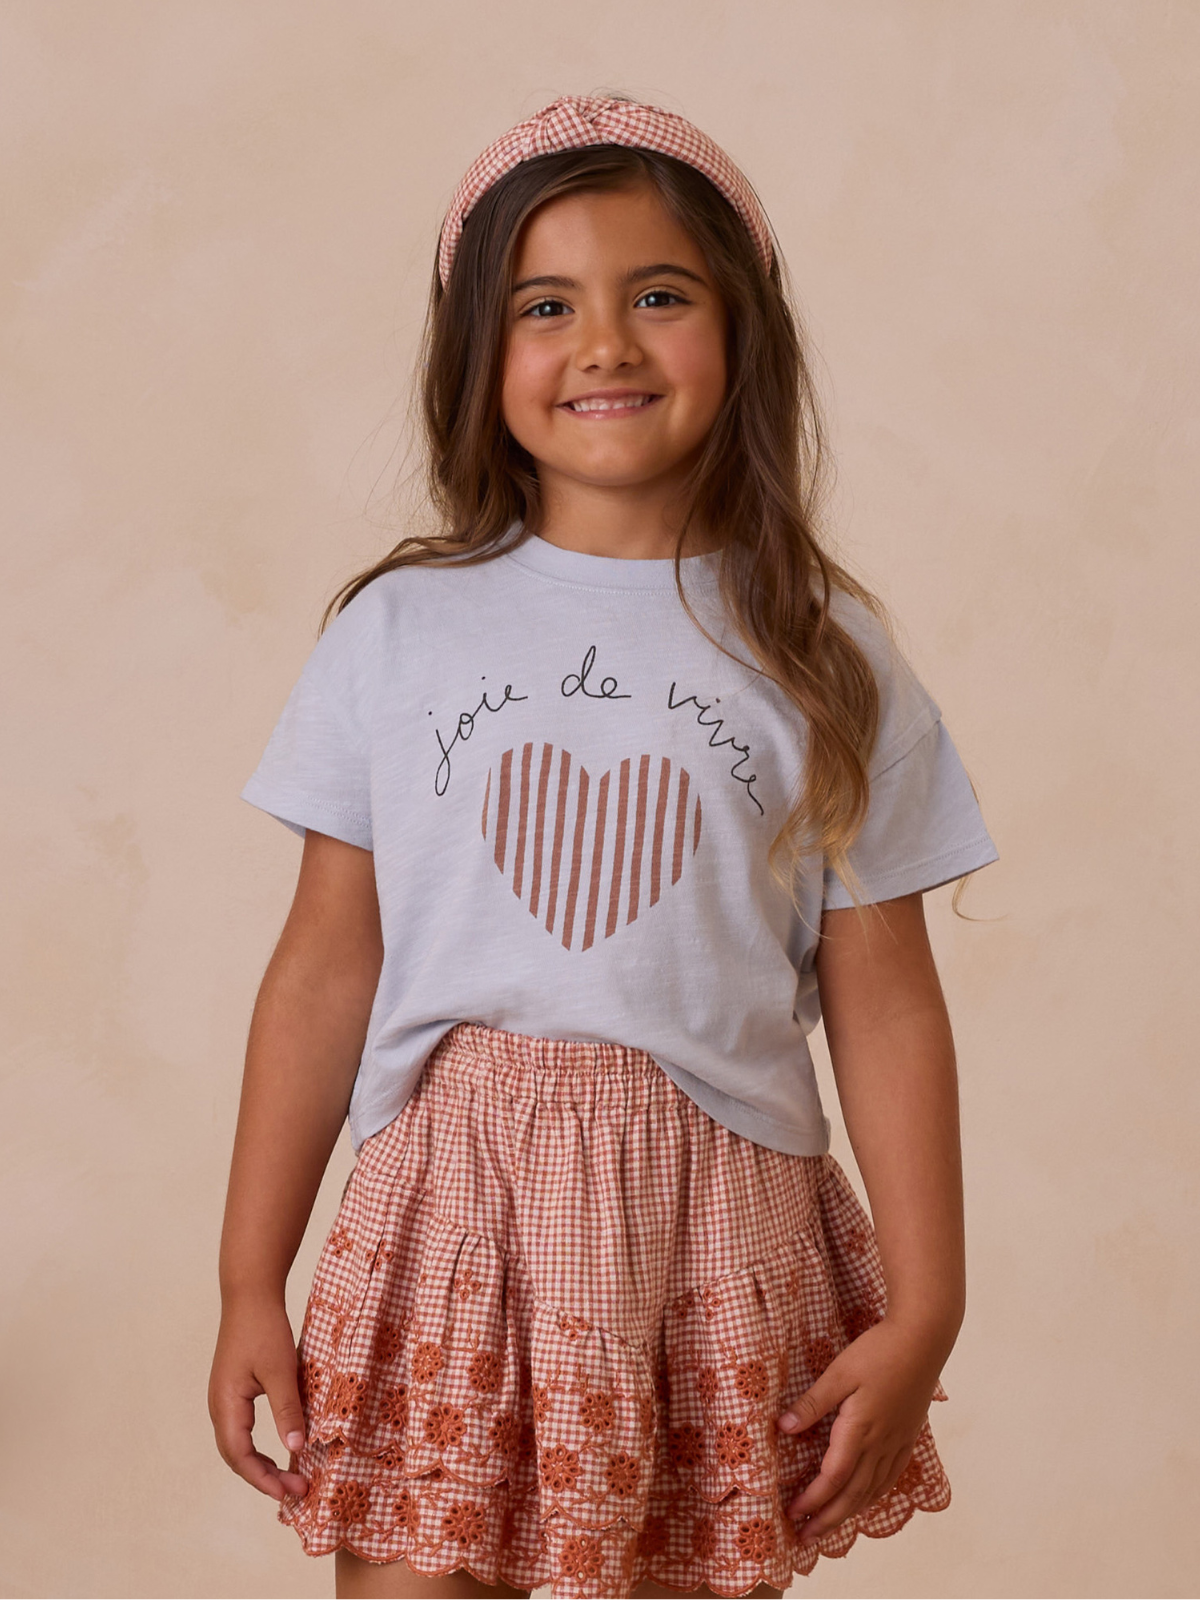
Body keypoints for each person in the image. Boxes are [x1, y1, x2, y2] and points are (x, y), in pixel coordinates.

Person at [208, 93, 998, 1600]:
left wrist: (931, 1304)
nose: (607, 345)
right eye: (546, 306)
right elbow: (323, 966)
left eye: (659, 296)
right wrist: (252, 1274)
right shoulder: (400, 632)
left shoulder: (823, 652)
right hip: (455, 1198)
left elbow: (886, 997)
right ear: (477, 357)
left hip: (713, 1213)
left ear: (743, 329)